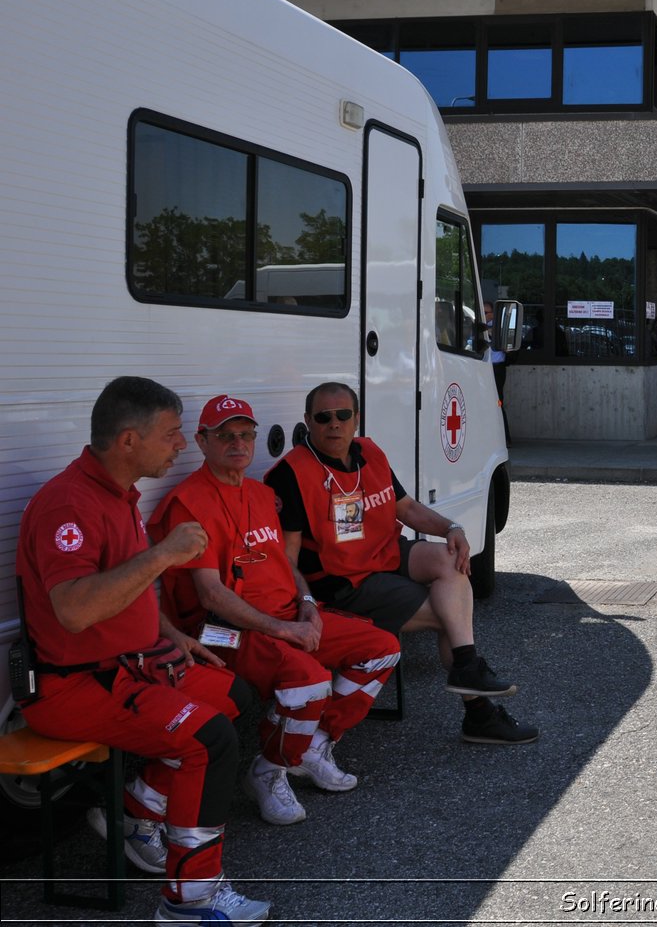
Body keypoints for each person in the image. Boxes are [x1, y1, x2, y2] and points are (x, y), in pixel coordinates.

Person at [16, 377, 269, 924]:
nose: (180, 444)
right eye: (172, 434)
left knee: (234, 695)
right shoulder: (69, 504)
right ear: (129, 440)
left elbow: (123, 587)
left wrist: (169, 634)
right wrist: (164, 555)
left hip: (133, 664)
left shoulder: (120, 493)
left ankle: (137, 812)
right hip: (75, 685)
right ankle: (191, 901)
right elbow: (75, 610)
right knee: (211, 741)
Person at [150, 395, 401, 827]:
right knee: (309, 680)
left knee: (381, 648)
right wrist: (283, 631)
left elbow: (286, 562)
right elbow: (210, 595)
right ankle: (269, 769)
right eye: (224, 435)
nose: (238, 443)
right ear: (202, 441)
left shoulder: (261, 493)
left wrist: (306, 607)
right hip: (220, 630)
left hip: (285, 615)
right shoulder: (188, 502)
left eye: (245, 434)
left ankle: (312, 746)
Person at [265, 382, 538, 744]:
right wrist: (305, 603)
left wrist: (451, 528)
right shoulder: (293, 473)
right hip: (346, 582)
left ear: (356, 419)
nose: (334, 424)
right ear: (308, 421)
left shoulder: (368, 452)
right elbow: (289, 557)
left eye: (343, 415)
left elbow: (406, 509)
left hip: (384, 555)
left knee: (450, 560)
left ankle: (470, 675)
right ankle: (478, 710)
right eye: (323, 417)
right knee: (450, 616)